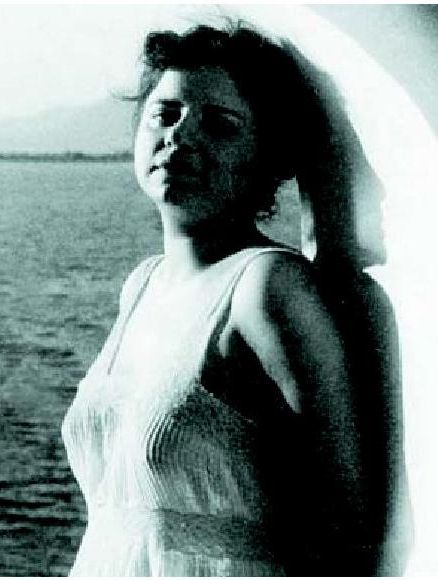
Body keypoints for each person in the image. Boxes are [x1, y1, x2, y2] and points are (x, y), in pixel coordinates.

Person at [61, 22, 393, 576]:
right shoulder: (143, 284)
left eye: (219, 125)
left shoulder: (267, 289)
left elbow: (347, 530)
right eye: (165, 114)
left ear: (266, 158)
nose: (180, 137)